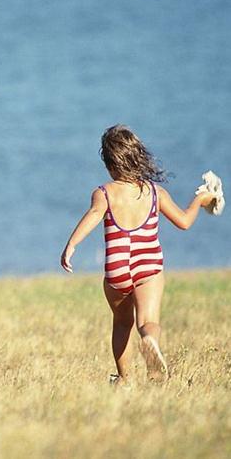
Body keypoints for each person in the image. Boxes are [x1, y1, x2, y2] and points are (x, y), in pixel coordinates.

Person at [60, 125, 216, 385]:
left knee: (122, 323)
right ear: (137, 157)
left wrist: (71, 245)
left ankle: (124, 380)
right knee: (148, 320)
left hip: (117, 268)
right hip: (148, 265)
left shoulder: (104, 193)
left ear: (109, 164)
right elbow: (184, 222)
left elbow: (94, 215)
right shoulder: (155, 192)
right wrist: (200, 200)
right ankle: (149, 341)